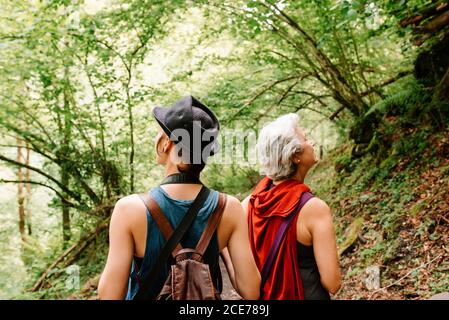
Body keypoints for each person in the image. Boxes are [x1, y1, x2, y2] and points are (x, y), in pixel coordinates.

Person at [98, 95, 260, 300]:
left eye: (159, 133)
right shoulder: (229, 208)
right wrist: (222, 243)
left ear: (167, 143)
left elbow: (110, 295)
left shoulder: (129, 210)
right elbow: (251, 291)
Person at [240, 113, 341, 300]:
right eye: (306, 139)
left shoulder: (248, 205)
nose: (312, 142)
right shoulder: (313, 209)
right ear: (295, 156)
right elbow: (332, 282)